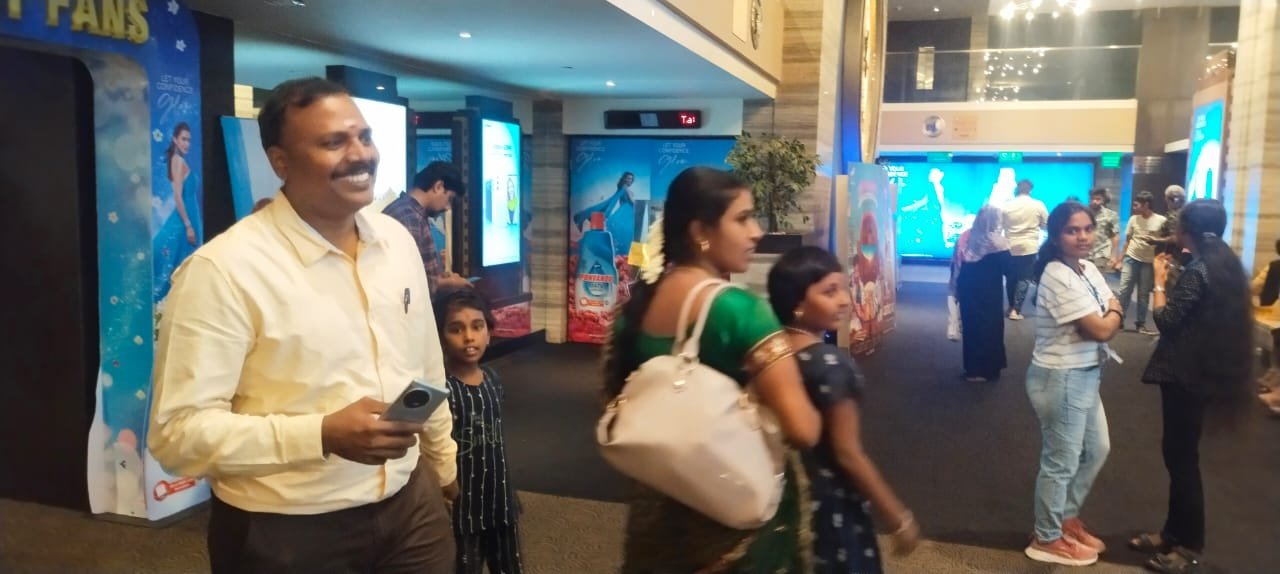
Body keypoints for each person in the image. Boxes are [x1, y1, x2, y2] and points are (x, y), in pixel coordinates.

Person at [148, 77, 458, 574]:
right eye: (333, 142)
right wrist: (320, 434)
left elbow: (425, 365)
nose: (360, 155)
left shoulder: (396, 241)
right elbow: (177, 435)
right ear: (280, 162)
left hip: (410, 507)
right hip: (287, 529)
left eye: (364, 136)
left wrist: (442, 463)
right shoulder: (224, 270)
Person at [602, 166, 821, 573]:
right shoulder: (740, 311)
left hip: (658, 512)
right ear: (701, 231)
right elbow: (802, 429)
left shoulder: (634, 310)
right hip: (730, 519)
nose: (756, 232)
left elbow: (617, 401)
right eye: (743, 219)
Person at [767, 246, 921, 573]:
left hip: (781, 494)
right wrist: (898, 517)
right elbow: (847, 453)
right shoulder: (829, 363)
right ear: (797, 303)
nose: (844, 301)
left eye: (843, 289)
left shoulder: (770, 356)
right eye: (829, 291)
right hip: (828, 505)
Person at [1130, 199, 1254, 573]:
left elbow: (1167, 320)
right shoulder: (1223, 265)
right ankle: (1173, 533)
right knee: (1180, 457)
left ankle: (1189, 546)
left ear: (1186, 231)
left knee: (1182, 461)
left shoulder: (1199, 271)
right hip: (1202, 372)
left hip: (1185, 377)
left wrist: (1159, 280)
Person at [1023, 201, 1123, 567]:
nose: (1082, 237)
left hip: (1086, 372)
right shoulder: (1056, 274)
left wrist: (1109, 312)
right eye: (1072, 230)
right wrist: (1113, 312)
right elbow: (1101, 328)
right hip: (1060, 375)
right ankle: (1046, 537)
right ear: (1055, 236)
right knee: (1061, 461)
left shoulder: (1088, 267)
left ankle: (1065, 517)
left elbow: (1108, 309)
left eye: (1088, 229)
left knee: (1097, 449)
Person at [435, 288, 524, 574]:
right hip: (462, 504)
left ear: (489, 331)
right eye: (456, 329)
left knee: (509, 564)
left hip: (499, 497)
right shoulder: (441, 389)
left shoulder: (493, 380)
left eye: (477, 326)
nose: (469, 337)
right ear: (440, 336)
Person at [384, 161, 472, 293]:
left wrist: (438, 277)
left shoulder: (411, 213)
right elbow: (406, 282)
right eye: (449, 199)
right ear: (438, 187)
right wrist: (447, 283)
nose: (448, 207)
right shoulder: (409, 218)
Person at [956, 205, 1012, 382]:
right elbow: (1009, 270)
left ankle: (973, 369)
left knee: (971, 327)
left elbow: (956, 264)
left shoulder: (965, 237)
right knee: (991, 328)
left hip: (967, 288)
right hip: (990, 292)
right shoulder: (998, 242)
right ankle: (991, 369)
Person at [153, 122, 203, 301]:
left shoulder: (179, 160)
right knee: (180, 266)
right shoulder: (178, 160)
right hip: (185, 220)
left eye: (189, 140)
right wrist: (188, 225)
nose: (187, 143)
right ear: (175, 139)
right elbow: (177, 196)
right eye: (183, 139)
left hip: (191, 215)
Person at [1114, 191, 1166, 335]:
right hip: (1131, 257)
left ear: (1146, 205)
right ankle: (1119, 320)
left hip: (1148, 261)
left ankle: (1140, 323)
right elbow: (1128, 241)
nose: (1134, 207)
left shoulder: (1161, 220)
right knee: (1124, 290)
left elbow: (1165, 240)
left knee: (1143, 294)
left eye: (1136, 205)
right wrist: (1119, 260)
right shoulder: (1133, 219)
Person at [1002, 179, 1049, 320]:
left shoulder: (1007, 205)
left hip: (1010, 246)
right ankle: (1016, 310)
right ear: (1030, 189)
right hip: (1029, 247)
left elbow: (1000, 225)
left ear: (1017, 189)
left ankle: (1011, 306)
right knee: (1024, 278)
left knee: (1011, 278)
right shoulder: (1038, 205)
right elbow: (1045, 225)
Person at [1254, 240, 1280, 404]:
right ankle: (1275, 374)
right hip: (1275, 310)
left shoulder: (1275, 265)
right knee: (1277, 334)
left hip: (1271, 310)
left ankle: (1275, 375)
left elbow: (1256, 286)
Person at [1156, 185, 1189, 290]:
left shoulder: (1174, 215)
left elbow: (1175, 238)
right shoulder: (1187, 212)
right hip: (1186, 259)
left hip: (1174, 258)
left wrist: (1155, 240)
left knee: (1171, 288)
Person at [1087, 187, 1120, 274]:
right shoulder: (1083, 213)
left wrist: (1114, 255)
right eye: (1092, 198)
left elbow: (1115, 236)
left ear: (1104, 200)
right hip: (1084, 253)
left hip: (1101, 254)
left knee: (1097, 279)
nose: (1094, 201)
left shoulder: (1111, 215)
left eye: (1098, 199)